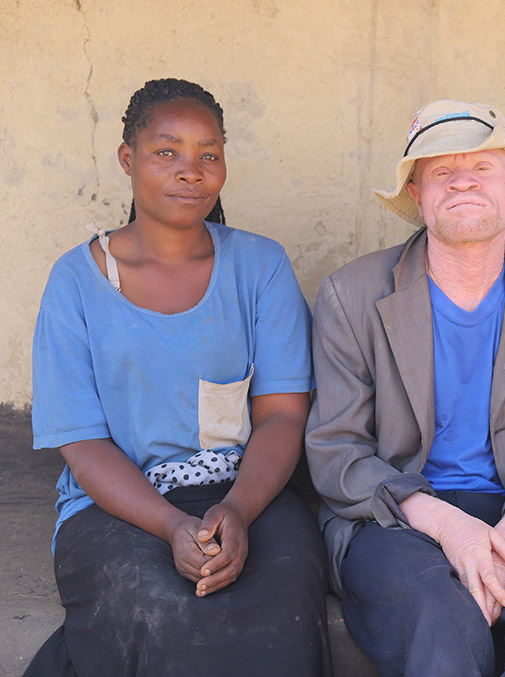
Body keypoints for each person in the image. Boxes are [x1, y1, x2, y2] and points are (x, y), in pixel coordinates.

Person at [27, 78, 332, 676]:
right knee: (159, 608)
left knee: (284, 608)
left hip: (250, 492)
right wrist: (170, 525)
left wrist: (239, 509)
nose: (190, 170)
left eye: (208, 154)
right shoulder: (76, 281)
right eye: (167, 151)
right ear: (127, 159)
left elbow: (283, 414)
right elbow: (82, 442)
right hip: (116, 503)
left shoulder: (260, 266)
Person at [305, 99, 505, 675]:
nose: (462, 180)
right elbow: (336, 451)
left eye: (482, 167)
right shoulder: (350, 295)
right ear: (417, 194)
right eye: (440, 170)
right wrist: (450, 527)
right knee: (441, 618)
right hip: (392, 514)